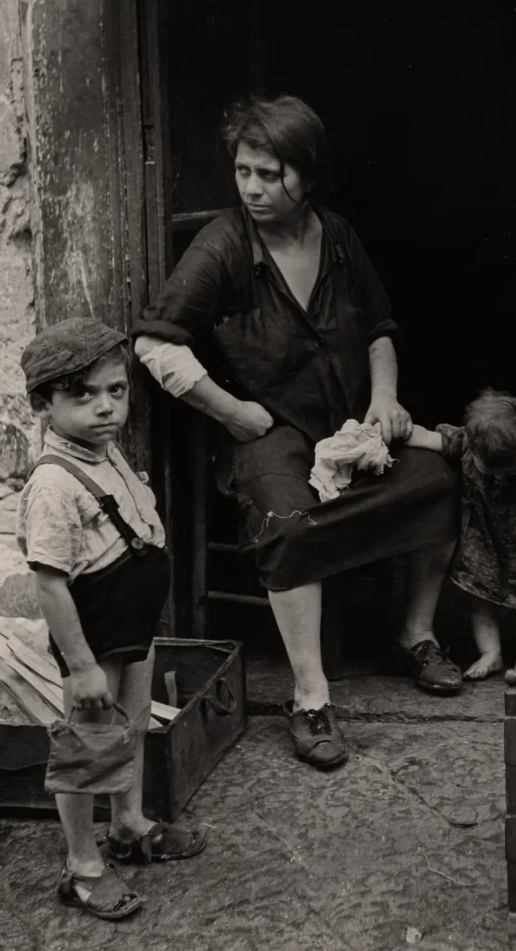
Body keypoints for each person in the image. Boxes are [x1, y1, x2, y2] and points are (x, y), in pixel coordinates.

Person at [133, 95, 463, 772]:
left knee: (436, 478)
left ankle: (417, 633)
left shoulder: (337, 236)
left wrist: (386, 397)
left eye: (271, 174)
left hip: (348, 428)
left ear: (307, 177)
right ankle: (310, 696)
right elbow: (155, 345)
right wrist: (231, 411)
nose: (253, 188)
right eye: (244, 171)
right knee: (288, 519)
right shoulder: (224, 244)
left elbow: (378, 327)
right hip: (270, 432)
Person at [17, 318, 207, 921]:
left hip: (133, 626)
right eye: (83, 396)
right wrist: (80, 666)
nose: (106, 408)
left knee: (132, 727)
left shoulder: (105, 452)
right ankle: (82, 867)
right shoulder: (52, 484)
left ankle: (128, 825)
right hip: (93, 639)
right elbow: (49, 584)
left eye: (116, 391)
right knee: (87, 748)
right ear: (44, 404)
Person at [407, 389, 516, 680]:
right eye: (490, 470)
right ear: (471, 446)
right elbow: (425, 437)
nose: (500, 478)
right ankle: (492, 654)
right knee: (479, 600)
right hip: (481, 543)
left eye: (511, 471)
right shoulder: (464, 443)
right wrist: (390, 431)